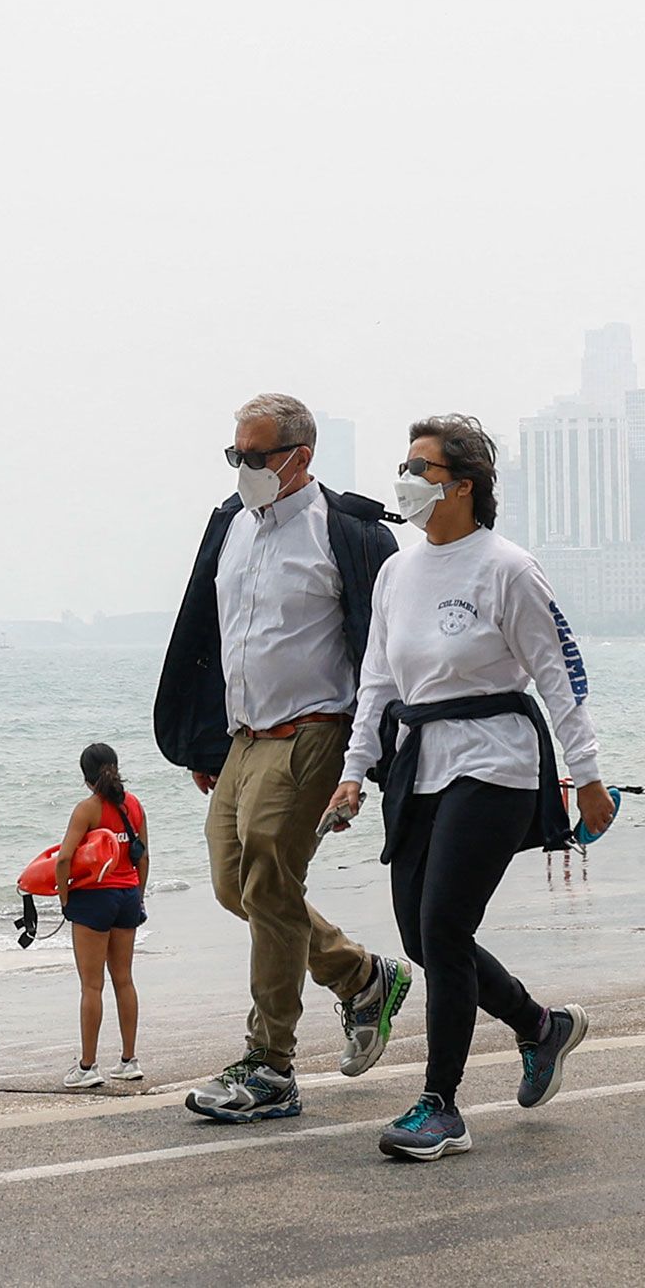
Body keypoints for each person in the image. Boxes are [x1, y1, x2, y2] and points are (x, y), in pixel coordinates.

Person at [326, 415, 617, 1162]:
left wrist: (586, 778)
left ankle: (441, 1105)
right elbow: (378, 683)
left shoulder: (508, 567)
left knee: (445, 926)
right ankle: (540, 1025)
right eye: (406, 462)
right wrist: (353, 774)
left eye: (419, 466)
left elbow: (560, 676)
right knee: (422, 938)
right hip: (418, 763)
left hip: (496, 762)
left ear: (463, 485)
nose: (406, 476)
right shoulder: (397, 572)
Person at [154, 393, 412, 1125]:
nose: (245, 467)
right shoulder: (230, 526)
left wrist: (366, 763)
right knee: (234, 884)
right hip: (244, 737)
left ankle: (269, 1064)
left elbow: (382, 649)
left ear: (302, 455)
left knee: (271, 878)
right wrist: (208, 736)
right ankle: (361, 975)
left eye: (258, 455)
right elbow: (211, 635)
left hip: (314, 729)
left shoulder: (350, 531)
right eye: (236, 453)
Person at [56, 744, 149, 1088]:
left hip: (94, 900)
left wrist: (66, 901)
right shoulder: (134, 805)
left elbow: (64, 859)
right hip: (126, 896)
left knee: (91, 985)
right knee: (124, 979)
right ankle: (129, 1061)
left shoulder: (87, 809)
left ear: (85, 777)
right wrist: (136, 899)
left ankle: (87, 1066)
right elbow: (143, 858)